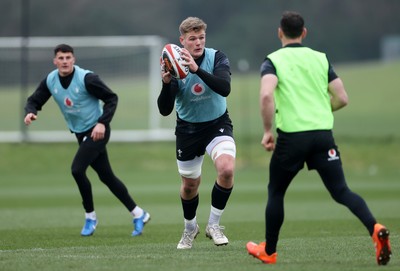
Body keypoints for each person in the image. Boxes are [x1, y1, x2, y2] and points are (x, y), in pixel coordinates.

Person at [246, 11, 392, 265]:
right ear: (304, 33)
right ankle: (375, 228)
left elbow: (266, 96)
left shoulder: (273, 61)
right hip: (323, 136)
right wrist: (322, 111)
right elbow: (342, 98)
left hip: (292, 137)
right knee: (341, 191)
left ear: (280, 32)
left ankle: (269, 251)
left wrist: (268, 131)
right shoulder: (321, 59)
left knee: (276, 192)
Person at [24, 44, 150, 237]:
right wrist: (30, 112)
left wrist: (102, 123)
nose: (65, 61)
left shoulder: (87, 78)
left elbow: (111, 98)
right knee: (107, 177)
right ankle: (139, 213)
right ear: (55, 61)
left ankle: (90, 217)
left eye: (68, 57)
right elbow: (34, 100)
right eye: (61, 58)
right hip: (80, 133)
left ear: (74, 59)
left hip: (98, 131)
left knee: (77, 169)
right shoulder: (51, 80)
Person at [157, 17, 236, 249]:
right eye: (193, 38)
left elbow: (225, 88)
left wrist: (196, 69)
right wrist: (166, 83)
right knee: (190, 185)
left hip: (217, 124)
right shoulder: (173, 64)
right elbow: (164, 110)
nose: (198, 42)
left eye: (201, 37)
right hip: (188, 130)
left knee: (227, 169)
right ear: (183, 41)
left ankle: (214, 224)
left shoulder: (217, 57)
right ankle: (190, 228)